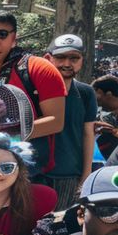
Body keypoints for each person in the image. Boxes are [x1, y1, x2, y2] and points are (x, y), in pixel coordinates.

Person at [0, 9, 67, 176]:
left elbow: (56, 122)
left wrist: (1, 134)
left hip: (29, 172)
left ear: (14, 38)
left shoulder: (39, 68)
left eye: (2, 34)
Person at [43, 34, 97, 210]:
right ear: (48, 58)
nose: (67, 63)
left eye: (74, 58)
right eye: (60, 57)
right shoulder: (34, 89)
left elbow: (88, 134)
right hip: (34, 173)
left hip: (69, 174)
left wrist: (86, 176)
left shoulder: (86, 93)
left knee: (59, 226)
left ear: (82, 61)